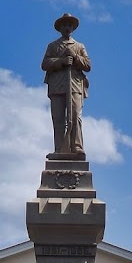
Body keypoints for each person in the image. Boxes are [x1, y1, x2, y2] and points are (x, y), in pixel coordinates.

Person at [41, 13, 91, 158]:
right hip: (57, 85)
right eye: (64, 25)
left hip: (75, 85)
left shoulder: (79, 46)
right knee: (58, 118)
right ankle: (59, 149)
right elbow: (44, 64)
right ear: (60, 28)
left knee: (75, 116)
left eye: (69, 25)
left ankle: (77, 146)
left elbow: (88, 65)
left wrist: (75, 57)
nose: (67, 28)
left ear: (73, 28)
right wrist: (60, 61)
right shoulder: (53, 46)